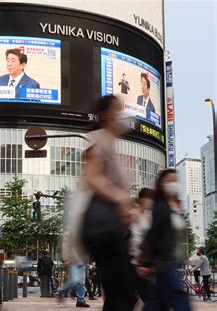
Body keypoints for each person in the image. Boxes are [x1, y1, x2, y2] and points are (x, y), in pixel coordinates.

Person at [80, 95, 136, 311]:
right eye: (117, 109)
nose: (121, 115)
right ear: (105, 115)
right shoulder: (99, 139)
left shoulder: (110, 144)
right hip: (105, 230)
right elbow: (92, 177)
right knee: (121, 294)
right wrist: (120, 197)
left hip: (114, 230)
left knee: (119, 294)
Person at [138, 169, 191, 310]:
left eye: (175, 180)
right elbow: (153, 234)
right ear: (161, 184)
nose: (173, 184)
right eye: (169, 180)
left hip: (173, 262)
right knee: (180, 300)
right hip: (164, 261)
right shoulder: (161, 206)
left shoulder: (177, 208)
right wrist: (145, 262)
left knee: (155, 303)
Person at [57, 231, 90, 308]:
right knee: (75, 280)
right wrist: (66, 259)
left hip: (82, 260)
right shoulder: (69, 232)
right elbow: (65, 246)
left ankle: (80, 300)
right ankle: (61, 291)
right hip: (73, 260)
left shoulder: (85, 230)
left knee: (81, 283)